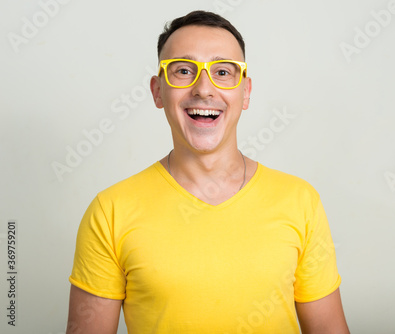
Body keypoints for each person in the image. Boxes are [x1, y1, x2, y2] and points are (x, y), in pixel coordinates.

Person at [66, 10, 349, 334]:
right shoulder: (110, 211)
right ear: (158, 91)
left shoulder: (301, 201)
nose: (204, 88)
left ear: (246, 91)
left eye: (223, 72)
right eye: (184, 71)